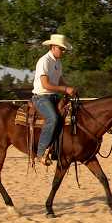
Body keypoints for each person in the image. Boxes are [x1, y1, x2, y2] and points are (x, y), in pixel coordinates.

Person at [32, 34, 77, 166]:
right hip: (41, 97)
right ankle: (40, 153)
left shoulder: (58, 62)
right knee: (53, 118)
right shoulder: (44, 61)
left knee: (72, 113)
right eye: (61, 49)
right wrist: (65, 89)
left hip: (53, 96)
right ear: (53, 47)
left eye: (64, 49)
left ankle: (58, 148)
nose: (63, 51)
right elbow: (45, 84)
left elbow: (59, 80)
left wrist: (69, 88)